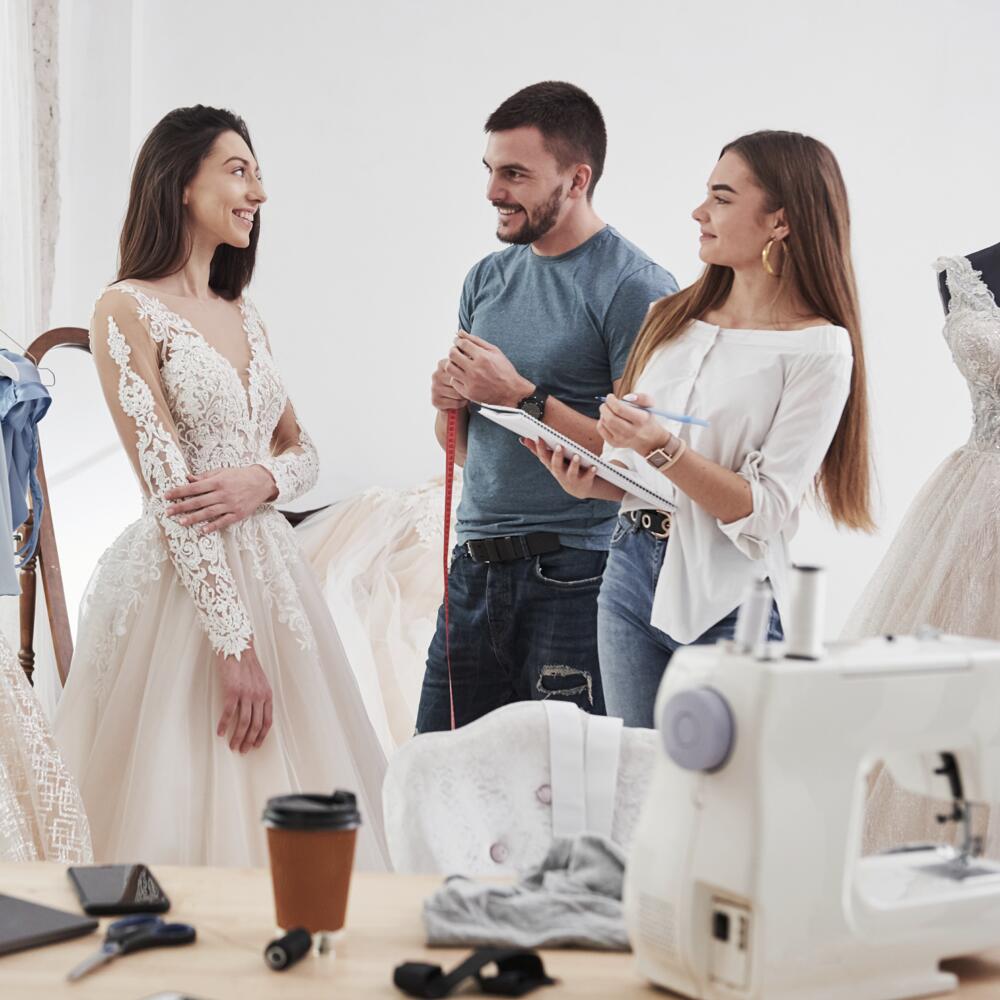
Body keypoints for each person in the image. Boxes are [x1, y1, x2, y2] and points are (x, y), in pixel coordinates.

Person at [54, 106, 388, 867]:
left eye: (258, 174)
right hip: (185, 588)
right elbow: (168, 489)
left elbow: (302, 450)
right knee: (180, 789)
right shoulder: (124, 308)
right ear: (180, 182)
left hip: (273, 576)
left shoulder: (244, 312)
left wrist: (259, 481)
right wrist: (234, 648)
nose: (258, 193)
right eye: (239, 171)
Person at [529, 130, 873, 727]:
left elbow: (765, 510)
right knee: (637, 776)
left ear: (780, 221)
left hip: (730, 601)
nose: (698, 211)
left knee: (725, 783)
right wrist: (595, 481)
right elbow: (647, 477)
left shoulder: (819, 348)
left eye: (721, 198)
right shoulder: (670, 318)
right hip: (628, 577)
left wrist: (661, 446)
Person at [415, 81, 677, 733]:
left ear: (577, 179)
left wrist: (521, 395)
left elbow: (645, 465)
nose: (492, 191)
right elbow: (468, 453)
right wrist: (448, 405)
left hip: (577, 576)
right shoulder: (486, 278)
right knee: (436, 773)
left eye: (515, 174)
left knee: (567, 785)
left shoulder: (635, 287)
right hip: (473, 571)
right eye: (489, 170)